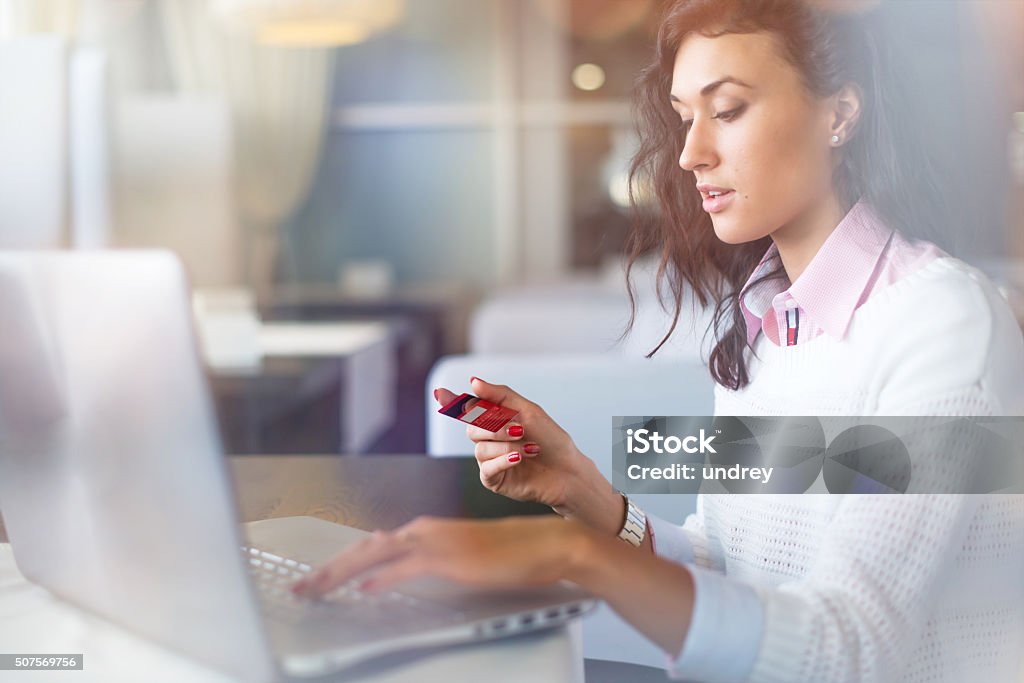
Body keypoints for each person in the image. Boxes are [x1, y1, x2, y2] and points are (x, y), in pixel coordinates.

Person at [293, 1, 1024, 680]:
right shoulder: (767, 319)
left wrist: (573, 554)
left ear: (839, 113)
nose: (690, 153)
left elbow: (850, 645)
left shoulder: (945, 325)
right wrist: (588, 497)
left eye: (728, 110)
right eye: (684, 117)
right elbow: (730, 563)